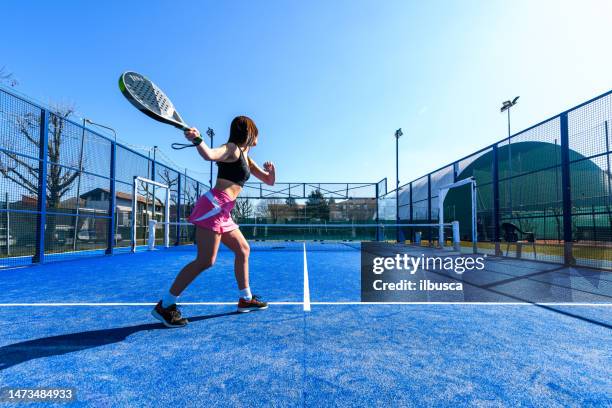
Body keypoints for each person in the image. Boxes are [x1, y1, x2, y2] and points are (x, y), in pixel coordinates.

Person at [152, 116, 276, 328]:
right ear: (248, 132)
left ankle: (246, 299)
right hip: (213, 207)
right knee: (205, 261)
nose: (258, 137)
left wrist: (272, 171)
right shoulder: (232, 148)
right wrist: (198, 139)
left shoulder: (246, 156)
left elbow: (269, 181)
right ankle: (165, 305)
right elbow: (209, 155)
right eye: (255, 132)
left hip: (224, 210)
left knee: (243, 250)